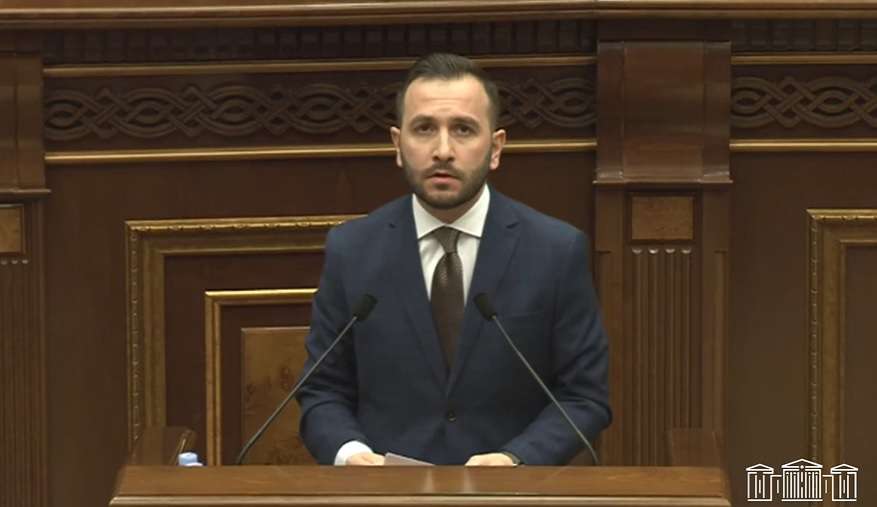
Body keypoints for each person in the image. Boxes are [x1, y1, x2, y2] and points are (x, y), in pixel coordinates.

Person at [296, 53, 611, 466]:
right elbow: (321, 389)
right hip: (384, 490)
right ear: (398, 145)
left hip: (510, 490)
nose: (443, 150)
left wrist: (516, 459)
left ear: (495, 148)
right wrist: (351, 455)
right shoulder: (352, 250)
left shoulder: (555, 250)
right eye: (424, 129)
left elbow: (583, 396)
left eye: (463, 129)